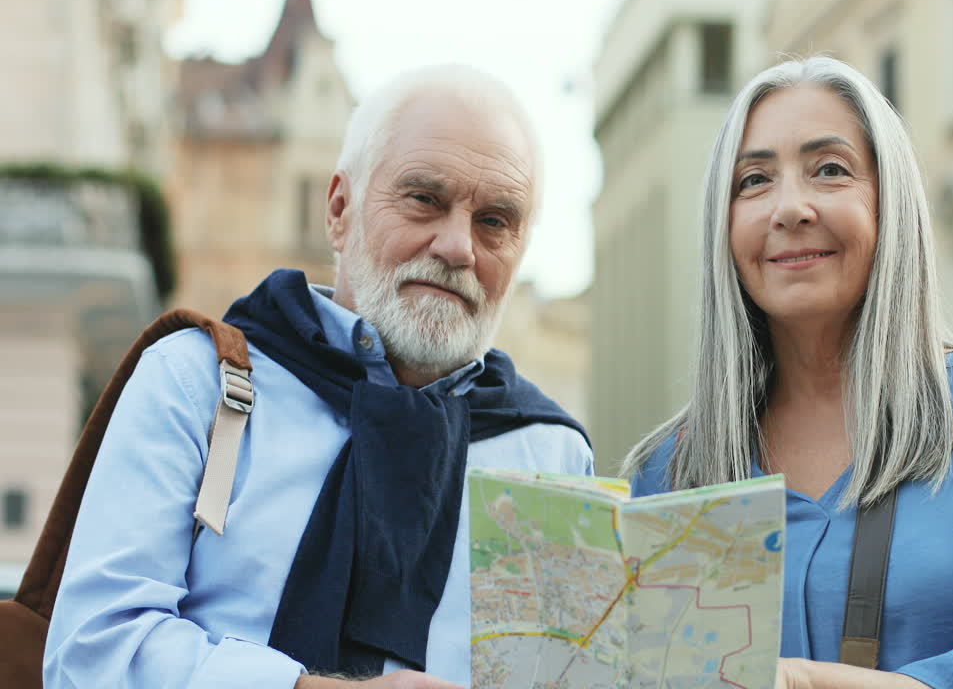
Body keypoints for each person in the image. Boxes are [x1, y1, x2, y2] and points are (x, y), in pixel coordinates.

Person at [44, 66, 593, 689]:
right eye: (424, 200)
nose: (458, 246)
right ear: (339, 209)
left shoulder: (552, 455)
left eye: (495, 220)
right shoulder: (194, 384)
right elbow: (90, 651)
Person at [625, 56, 953, 688]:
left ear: (891, 204)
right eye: (753, 180)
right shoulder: (670, 472)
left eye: (830, 170)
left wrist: (799, 682)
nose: (790, 207)